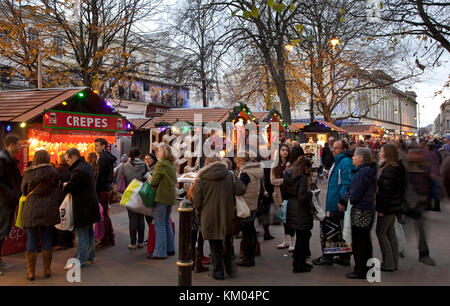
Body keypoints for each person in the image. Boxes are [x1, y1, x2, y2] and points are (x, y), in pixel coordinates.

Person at [190, 157, 246, 280]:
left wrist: (198, 210)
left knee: (214, 244)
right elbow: (241, 189)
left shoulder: (202, 177)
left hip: (209, 216)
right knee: (226, 241)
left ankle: (218, 272)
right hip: (228, 213)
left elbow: (196, 199)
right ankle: (230, 269)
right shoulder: (229, 175)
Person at [21, 150, 61, 280]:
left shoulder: (28, 173)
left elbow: (23, 190)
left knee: (31, 239)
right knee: (47, 238)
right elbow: (56, 187)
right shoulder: (54, 172)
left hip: (31, 208)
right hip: (48, 209)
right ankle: (47, 269)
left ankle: (31, 272)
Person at [313, 140, 354, 266]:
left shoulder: (345, 162)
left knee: (331, 230)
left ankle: (329, 256)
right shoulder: (338, 161)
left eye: (336, 148)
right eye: (333, 147)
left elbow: (346, 183)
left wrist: (342, 201)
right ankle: (342, 256)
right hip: (334, 201)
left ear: (344, 149)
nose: (333, 150)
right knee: (337, 230)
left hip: (336, 202)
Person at [338, 147, 377, 279]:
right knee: (365, 241)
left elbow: (354, 194)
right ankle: (366, 267)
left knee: (359, 242)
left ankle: (360, 269)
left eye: (355, 156)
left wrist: (343, 199)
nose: (353, 158)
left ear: (360, 158)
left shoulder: (361, 174)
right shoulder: (366, 172)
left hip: (360, 211)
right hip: (366, 209)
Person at [63, 148, 101, 269]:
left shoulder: (78, 170)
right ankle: (89, 257)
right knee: (89, 232)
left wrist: (64, 185)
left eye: (68, 160)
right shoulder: (86, 166)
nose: (68, 163)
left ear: (74, 157)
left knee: (81, 234)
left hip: (83, 207)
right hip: (90, 205)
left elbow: (70, 187)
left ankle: (80, 260)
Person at [403, 142, 436, 266]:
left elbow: (428, 184)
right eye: (413, 153)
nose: (416, 155)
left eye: (418, 153)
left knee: (420, 230)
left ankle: (424, 254)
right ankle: (397, 248)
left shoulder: (424, 166)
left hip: (419, 203)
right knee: (402, 229)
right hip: (406, 204)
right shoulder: (405, 166)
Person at [375, 144, 406, 272]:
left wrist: (381, 209)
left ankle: (388, 263)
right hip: (394, 205)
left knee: (381, 232)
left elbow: (385, 192)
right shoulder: (394, 167)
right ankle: (393, 262)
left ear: (387, 153)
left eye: (381, 151)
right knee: (390, 233)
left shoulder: (389, 169)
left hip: (388, 206)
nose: (379, 152)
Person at [282, 156, 314, 273]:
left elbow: (284, 193)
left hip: (291, 206)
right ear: (305, 167)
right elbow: (302, 197)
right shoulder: (303, 178)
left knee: (301, 237)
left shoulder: (288, 174)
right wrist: (310, 194)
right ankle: (298, 265)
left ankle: (299, 263)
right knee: (303, 238)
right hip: (301, 210)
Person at [116, 147, 150, 250]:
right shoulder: (144, 165)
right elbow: (149, 178)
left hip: (129, 193)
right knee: (141, 218)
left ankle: (133, 243)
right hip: (141, 193)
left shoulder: (123, 166)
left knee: (132, 219)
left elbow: (118, 181)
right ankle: (141, 242)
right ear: (139, 155)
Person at [148, 144, 177, 259]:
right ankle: (170, 249)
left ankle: (160, 252)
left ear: (163, 153)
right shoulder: (170, 164)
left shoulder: (161, 164)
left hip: (161, 197)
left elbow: (154, 182)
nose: (157, 154)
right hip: (169, 197)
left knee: (159, 225)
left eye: (158, 151)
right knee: (166, 223)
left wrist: (150, 178)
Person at [235, 155, 263, 267]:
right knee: (251, 231)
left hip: (245, 204)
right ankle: (251, 258)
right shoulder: (255, 170)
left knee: (247, 233)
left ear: (241, 161)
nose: (237, 165)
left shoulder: (245, 173)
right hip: (252, 203)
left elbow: (240, 189)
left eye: (237, 162)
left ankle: (247, 259)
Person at [0, 134, 22, 276]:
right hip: (3, 202)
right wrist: (11, 195)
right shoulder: (2, 160)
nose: (20, 147)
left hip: (8, 201)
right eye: (19, 144)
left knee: (4, 232)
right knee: (0, 232)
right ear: (12, 145)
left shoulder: (10, 160)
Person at [94, 138, 117, 247]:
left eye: (97, 145)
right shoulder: (107, 157)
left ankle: (106, 238)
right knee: (105, 213)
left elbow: (100, 176)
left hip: (102, 189)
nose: (95, 147)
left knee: (103, 214)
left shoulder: (102, 158)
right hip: (106, 188)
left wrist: (95, 188)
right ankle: (109, 235)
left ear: (103, 146)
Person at [270, 144, 294, 250]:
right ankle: (286, 240)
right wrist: (285, 181)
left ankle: (292, 242)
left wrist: (282, 181)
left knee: (291, 219)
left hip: (290, 195)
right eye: (282, 150)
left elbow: (294, 179)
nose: (285, 152)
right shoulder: (275, 165)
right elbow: (272, 180)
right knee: (284, 219)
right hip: (280, 195)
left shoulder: (292, 164)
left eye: (286, 150)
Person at [52, 152, 74, 251]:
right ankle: (69, 241)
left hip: (57, 197)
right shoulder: (72, 171)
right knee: (68, 217)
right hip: (68, 196)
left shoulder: (55, 171)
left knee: (60, 219)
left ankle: (61, 242)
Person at [426, 143, 441, 211]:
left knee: (429, 189)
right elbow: (440, 160)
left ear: (428, 147)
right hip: (437, 173)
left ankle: (429, 206)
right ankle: (437, 206)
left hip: (431, 173)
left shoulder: (428, 153)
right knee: (435, 190)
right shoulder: (435, 153)